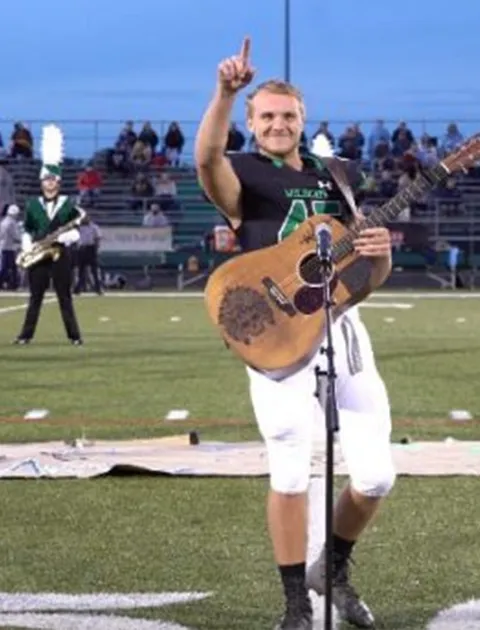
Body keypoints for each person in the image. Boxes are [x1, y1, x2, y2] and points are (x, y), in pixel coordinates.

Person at [194, 37, 395, 630]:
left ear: (303, 121)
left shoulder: (339, 176)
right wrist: (224, 95)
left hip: (341, 326)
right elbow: (208, 161)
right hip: (279, 334)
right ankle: (293, 605)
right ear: (252, 124)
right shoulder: (244, 173)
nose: (279, 124)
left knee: (377, 474)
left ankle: (329, 569)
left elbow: (363, 277)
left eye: (288, 115)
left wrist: (380, 255)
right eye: (268, 116)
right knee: (288, 467)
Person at [14, 125, 84, 346]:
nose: (49, 183)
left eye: (53, 180)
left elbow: (76, 231)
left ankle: (74, 336)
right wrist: (27, 246)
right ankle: (25, 336)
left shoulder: (68, 203)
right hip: (38, 253)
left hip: (60, 254)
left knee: (65, 296)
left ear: (58, 182)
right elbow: (27, 228)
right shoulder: (33, 204)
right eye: (46, 180)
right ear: (41, 182)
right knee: (35, 297)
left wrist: (64, 237)